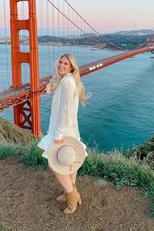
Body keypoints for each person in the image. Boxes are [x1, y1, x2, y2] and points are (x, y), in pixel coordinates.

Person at [37, 54, 88, 215]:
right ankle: (70, 193)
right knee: (69, 163)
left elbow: (66, 110)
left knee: (55, 166)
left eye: (66, 63)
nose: (61, 65)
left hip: (62, 130)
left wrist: (58, 133)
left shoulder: (67, 82)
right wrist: (51, 85)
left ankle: (72, 196)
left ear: (72, 67)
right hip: (70, 128)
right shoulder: (68, 80)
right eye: (60, 62)